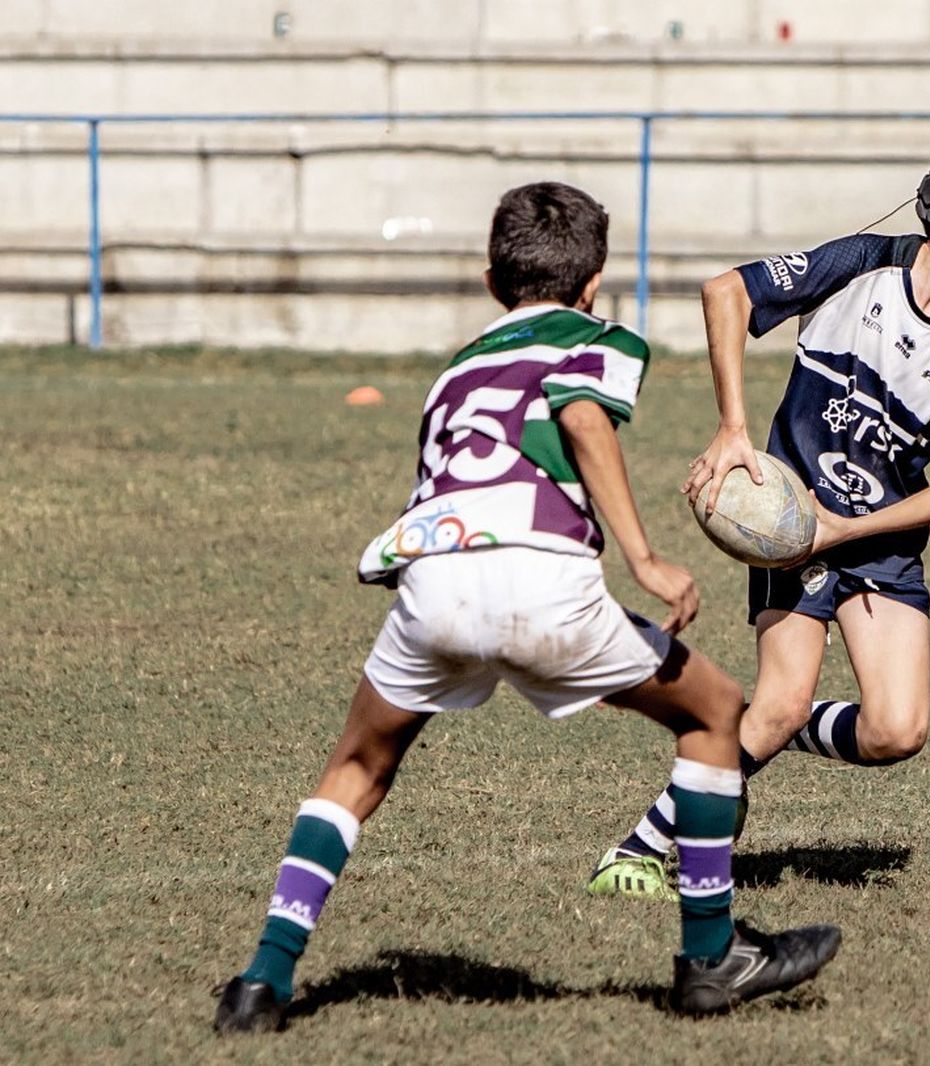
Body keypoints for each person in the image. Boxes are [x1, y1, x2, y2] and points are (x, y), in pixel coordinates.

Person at [213, 181, 840, 1033]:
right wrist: (646, 559)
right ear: (595, 282)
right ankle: (710, 957)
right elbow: (582, 417)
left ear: (489, 283)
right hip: (543, 580)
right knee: (717, 712)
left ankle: (261, 980)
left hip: (433, 577)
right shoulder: (596, 335)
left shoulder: (455, 370)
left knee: (357, 769)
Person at [587, 137, 930, 899]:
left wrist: (845, 532)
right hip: (788, 526)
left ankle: (765, 727)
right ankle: (637, 850)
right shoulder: (865, 264)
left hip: (878, 541)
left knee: (896, 731)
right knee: (779, 698)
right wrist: (734, 428)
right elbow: (724, 291)